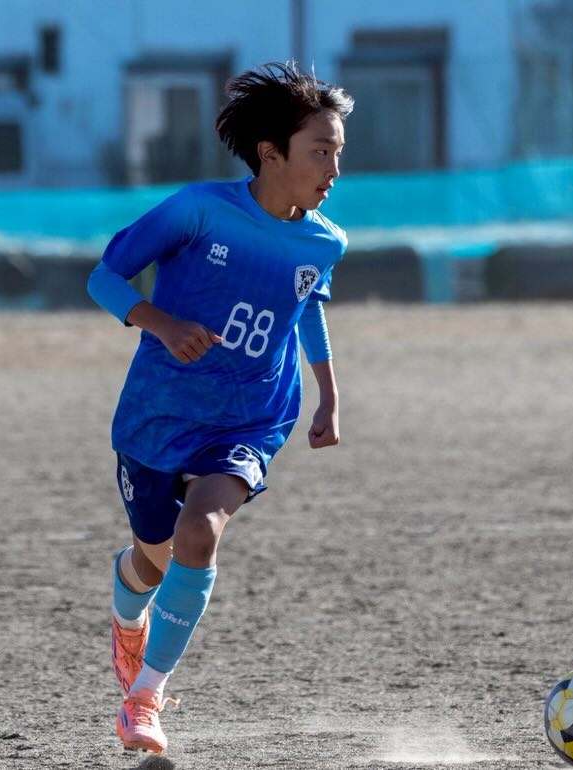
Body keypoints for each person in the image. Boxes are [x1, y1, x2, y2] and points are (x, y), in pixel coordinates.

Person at [86, 61, 353, 753]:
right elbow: (104, 274)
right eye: (319, 150)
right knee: (152, 559)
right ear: (271, 155)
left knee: (201, 532)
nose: (332, 167)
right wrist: (161, 322)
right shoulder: (198, 210)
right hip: (161, 414)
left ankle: (144, 699)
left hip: (252, 416)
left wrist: (327, 392)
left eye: (338, 152)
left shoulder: (326, 240)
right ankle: (127, 605)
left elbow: (305, 309)